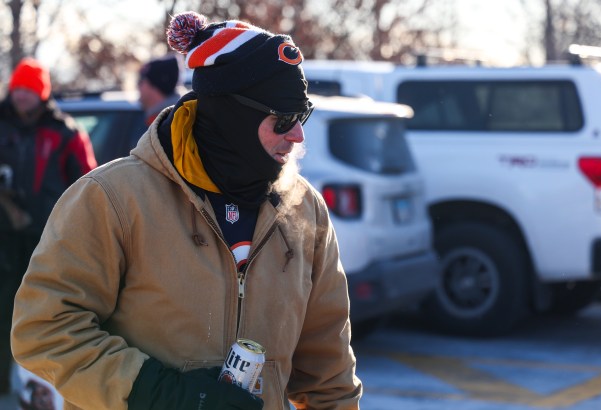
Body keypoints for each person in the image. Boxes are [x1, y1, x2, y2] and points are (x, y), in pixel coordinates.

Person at [11, 11, 363, 410]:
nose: (297, 134)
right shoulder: (112, 198)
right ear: (232, 116)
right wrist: (157, 393)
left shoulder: (305, 209)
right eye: (283, 118)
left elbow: (328, 374)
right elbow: (44, 328)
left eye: (302, 116)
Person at [0, 57, 97, 395]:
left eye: (29, 89)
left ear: (41, 94)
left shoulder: (64, 131)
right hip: (4, 240)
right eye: (18, 89)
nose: (22, 96)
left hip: (48, 239)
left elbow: (89, 185)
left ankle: (39, 384)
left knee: (42, 311)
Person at [138, 53, 185, 126]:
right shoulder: (175, 117)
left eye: (141, 81)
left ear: (154, 86)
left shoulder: (167, 124)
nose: (138, 86)